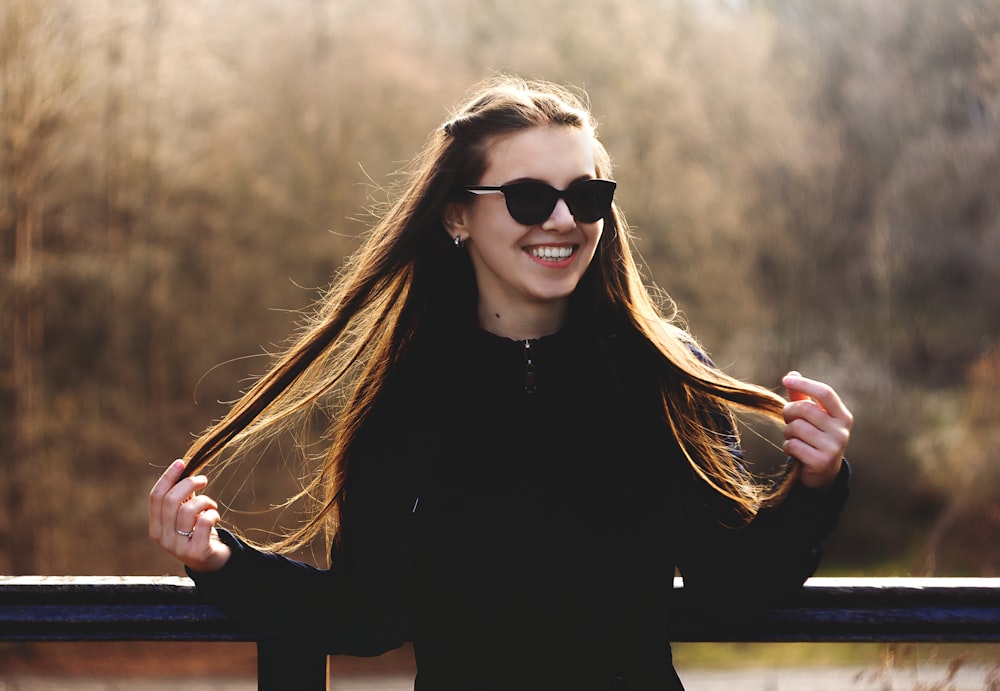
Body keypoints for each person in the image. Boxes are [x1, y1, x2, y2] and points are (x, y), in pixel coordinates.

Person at [149, 76, 852, 690]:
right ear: (457, 215)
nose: (563, 219)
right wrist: (219, 562)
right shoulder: (407, 391)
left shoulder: (662, 375)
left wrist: (814, 486)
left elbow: (730, 589)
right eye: (526, 197)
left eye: (587, 194)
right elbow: (366, 612)